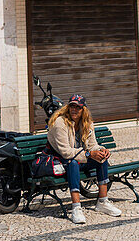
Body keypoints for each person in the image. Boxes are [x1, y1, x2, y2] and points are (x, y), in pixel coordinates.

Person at [47, 93, 121, 224]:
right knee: (73, 163)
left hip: (81, 158)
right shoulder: (60, 123)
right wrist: (88, 154)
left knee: (101, 158)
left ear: (83, 109)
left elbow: (93, 145)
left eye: (78, 107)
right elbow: (65, 152)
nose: (74, 109)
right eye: (72, 106)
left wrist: (101, 150)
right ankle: (76, 208)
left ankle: (102, 201)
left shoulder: (87, 123)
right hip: (62, 161)